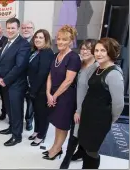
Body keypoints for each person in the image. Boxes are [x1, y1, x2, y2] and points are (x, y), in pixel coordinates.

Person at [78, 37, 124, 169]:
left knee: (92, 151)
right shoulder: (97, 68)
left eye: (103, 50)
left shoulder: (114, 74)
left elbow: (118, 104)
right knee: (85, 147)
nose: (98, 53)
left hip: (99, 120)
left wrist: (110, 119)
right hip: (88, 116)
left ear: (111, 52)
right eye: (96, 50)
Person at [43, 25, 81, 160]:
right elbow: (49, 76)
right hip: (53, 95)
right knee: (57, 124)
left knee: (63, 124)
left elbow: (68, 81)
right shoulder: (55, 55)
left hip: (66, 97)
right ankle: (54, 147)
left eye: (64, 40)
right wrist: (48, 93)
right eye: (58, 39)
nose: (60, 42)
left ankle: (57, 149)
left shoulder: (73, 58)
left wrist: (54, 96)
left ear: (71, 41)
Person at [60, 39, 98, 169]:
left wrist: (79, 110)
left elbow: (92, 94)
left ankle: (67, 158)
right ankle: (78, 153)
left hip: (85, 108)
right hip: (74, 104)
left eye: (88, 48)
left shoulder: (97, 68)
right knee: (75, 130)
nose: (85, 51)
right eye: (83, 48)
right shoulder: (80, 64)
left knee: (75, 134)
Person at [0, 17, 31, 146]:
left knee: (16, 111)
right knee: (10, 109)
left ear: (18, 29)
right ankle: (11, 128)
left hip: (16, 84)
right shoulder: (6, 41)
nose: (10, 30)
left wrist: (5, 79)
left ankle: (17, 136)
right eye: (8, 28)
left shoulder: (23, 44)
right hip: (5, 83)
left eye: (13, 28)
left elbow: (19, 66)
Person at [27, 29, 55, 146]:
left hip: (41, 90)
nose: (37, 39)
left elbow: (42, 73)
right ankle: (37, 131)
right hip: (34, 88)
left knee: (42, 114)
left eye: (41, 37)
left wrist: (33, 90)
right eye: (36, 37)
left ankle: (41, 135)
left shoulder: (47, 53)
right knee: (37, 113)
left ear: (46, 40)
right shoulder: (36, 51)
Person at [21, 20, 35, 131]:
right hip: (20, 77)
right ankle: (18, 120)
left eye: (28, 27)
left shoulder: (37, 42)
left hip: (31, 79)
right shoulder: (19, 42)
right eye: (24, 27)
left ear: (33, 29)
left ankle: (29, 121)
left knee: (30, 102)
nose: (26, 29)